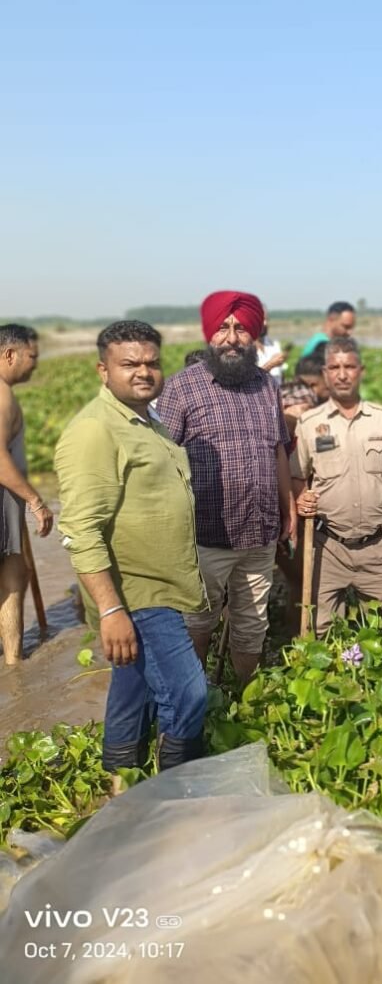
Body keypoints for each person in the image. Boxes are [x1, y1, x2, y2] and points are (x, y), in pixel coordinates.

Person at [54, 321, 207, 774]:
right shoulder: (95, 431)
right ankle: (178, 788)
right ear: (103, 371)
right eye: (129, 364)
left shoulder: (148, 421)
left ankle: (118, 779)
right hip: (137, 593)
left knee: (133, 687)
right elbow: (81, 528)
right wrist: (109, 609)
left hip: (159, 586)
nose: (144, 372)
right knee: (188, 694)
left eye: (152, 363)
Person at [158, 291, 296, 685]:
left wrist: (288, 508)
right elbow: (164, 460)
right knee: (197, 624)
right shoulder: (181, 388)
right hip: (205, 536)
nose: (232, 337)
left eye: (241, 328)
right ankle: (196, 698)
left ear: (254, 335)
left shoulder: (267, 387)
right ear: (209, 334)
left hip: (260, 533)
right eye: (223, 327)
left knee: (252, 626)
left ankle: (243, 696)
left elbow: (278, 451)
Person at [290, 337, 382, 635]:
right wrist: (301, 497)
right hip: (328, 548)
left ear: (360, 371)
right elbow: (296, 475)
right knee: (321, 631)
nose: (342, 374)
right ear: (325, 373)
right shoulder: (310, 423)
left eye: (349, 367)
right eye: (335, 367)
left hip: (378, 548)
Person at [0, 325, 53, 664]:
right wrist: (35, 501)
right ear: (9, 355)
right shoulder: (2, 395)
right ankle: (14, 664)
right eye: (32, 357)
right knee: (14, 575)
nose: (35, 364)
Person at [256, 307, 288, 384]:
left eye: (267, 320)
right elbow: (250, 381)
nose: (265, 323)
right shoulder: (244, 348)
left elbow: (281, 376)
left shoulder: (275, 345)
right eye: (261, 319)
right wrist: (270, 365)